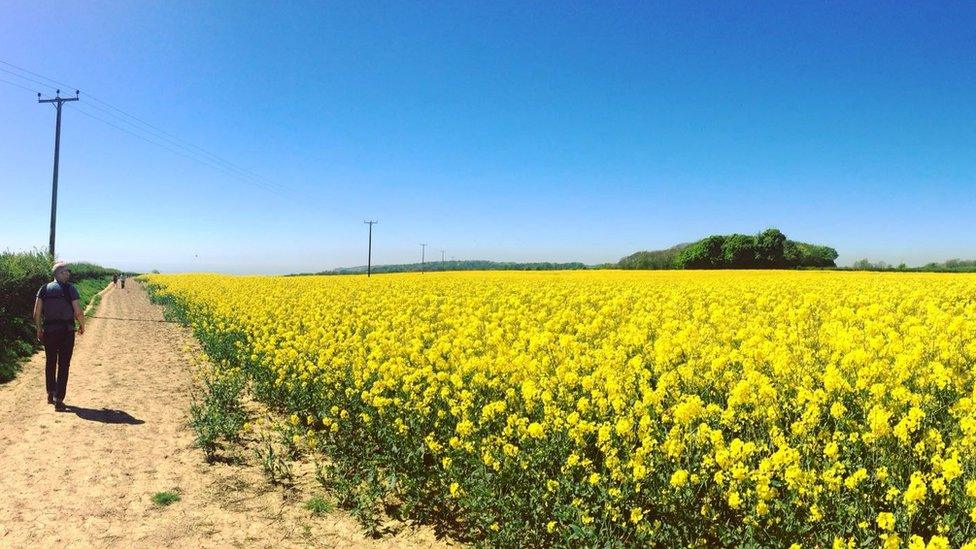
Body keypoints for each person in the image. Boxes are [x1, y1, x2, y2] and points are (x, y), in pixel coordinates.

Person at [33, 261, 85, 411]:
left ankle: (50, 393)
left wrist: (39, 329)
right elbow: (78, 311)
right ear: (57, 274)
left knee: (50, 362)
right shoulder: (70, 289)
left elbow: (36, 313)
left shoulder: (43, 289)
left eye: (68, 271)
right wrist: (82, 325)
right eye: (65, 271)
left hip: (49, 331)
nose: (68, 273)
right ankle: (59, 399)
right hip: (66, 332)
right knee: (63, 365)